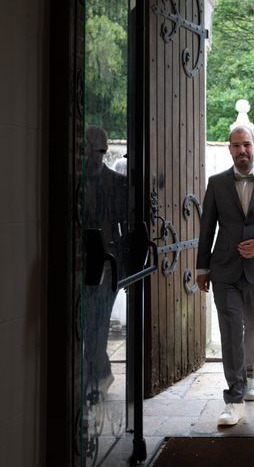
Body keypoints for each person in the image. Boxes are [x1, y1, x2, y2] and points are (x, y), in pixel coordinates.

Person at [196, 125, 254, 426]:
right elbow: (207, 228)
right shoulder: (216, 183)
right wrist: (202, 267)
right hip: (224, 268)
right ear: (229, 149)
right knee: (229, 330)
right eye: (236, 145)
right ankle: (234, 398)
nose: (242, 150)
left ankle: (251, 373)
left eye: (246, 145)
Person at [83, 126, 127, 398]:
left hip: (108, 263)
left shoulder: (117, 184)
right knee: (88, 322)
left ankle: (97, 377)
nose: (94, 154)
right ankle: (99, 373)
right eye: (89, 148)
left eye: (98, 149)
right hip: (83, 261)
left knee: (98, 321)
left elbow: (124, 225)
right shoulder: (76, 180)